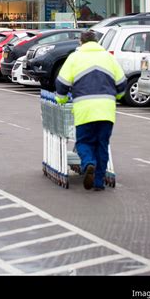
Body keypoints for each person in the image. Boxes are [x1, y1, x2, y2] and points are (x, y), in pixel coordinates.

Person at [55, 29, 126, 191]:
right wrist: (120, 96)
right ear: (96, 42)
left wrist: (61, 98)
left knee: (84, 142)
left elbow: (62, 83)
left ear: (81, 42)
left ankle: (88, 163)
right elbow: (121, 83)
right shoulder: (109, 57)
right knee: (102, 145)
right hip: (106, 110)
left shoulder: (74, 58)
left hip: (84, 110)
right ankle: (99, 183)